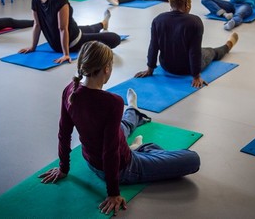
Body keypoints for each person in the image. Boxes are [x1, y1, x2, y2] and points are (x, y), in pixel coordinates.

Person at [39, 41, 200, 216]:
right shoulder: (112, 102)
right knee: (192, 159)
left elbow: (64, 133)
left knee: (121, 126)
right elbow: (110, 151)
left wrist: (63, 168)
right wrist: (113, 193)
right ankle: (141, 148)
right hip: (124, 167)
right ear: (107, 69)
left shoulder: (69, 90)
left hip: (91, 160)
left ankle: (133, 109)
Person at [135, 0, 239, 88]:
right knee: (211, 51)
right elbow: (194, 52)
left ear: (170, 3)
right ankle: (228, 45)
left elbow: (153, 46)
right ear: (187, 4)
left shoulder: (157, 20)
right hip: (187, 69)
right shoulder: (195, 22)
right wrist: (196, 76)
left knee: (196, 49)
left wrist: (150, 69)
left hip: (166, 66)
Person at [19, 0, 121, 64]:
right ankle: (102, 24)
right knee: (115, 38)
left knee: (88, 28)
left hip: (57, 43)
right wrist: (66, 54)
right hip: (73, 42)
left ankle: (103, 24)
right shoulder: (60, 0)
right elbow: (62, 29)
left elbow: (37, 25)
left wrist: (33, 47)